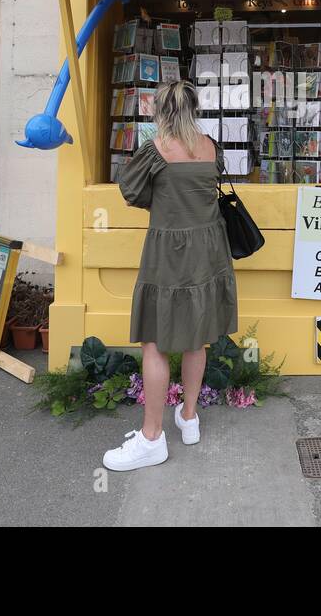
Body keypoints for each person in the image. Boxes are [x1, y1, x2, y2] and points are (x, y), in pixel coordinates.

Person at [102, 80, 238, 471]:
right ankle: (189, 417)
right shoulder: (210, 146)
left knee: (155, 341)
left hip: (168, 250)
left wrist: (163, 200)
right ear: (195, 109)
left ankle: (151, 438)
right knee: (197, 336)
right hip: (209, 250)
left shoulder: (155, 149)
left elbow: (131, 192)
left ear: (160, 111)